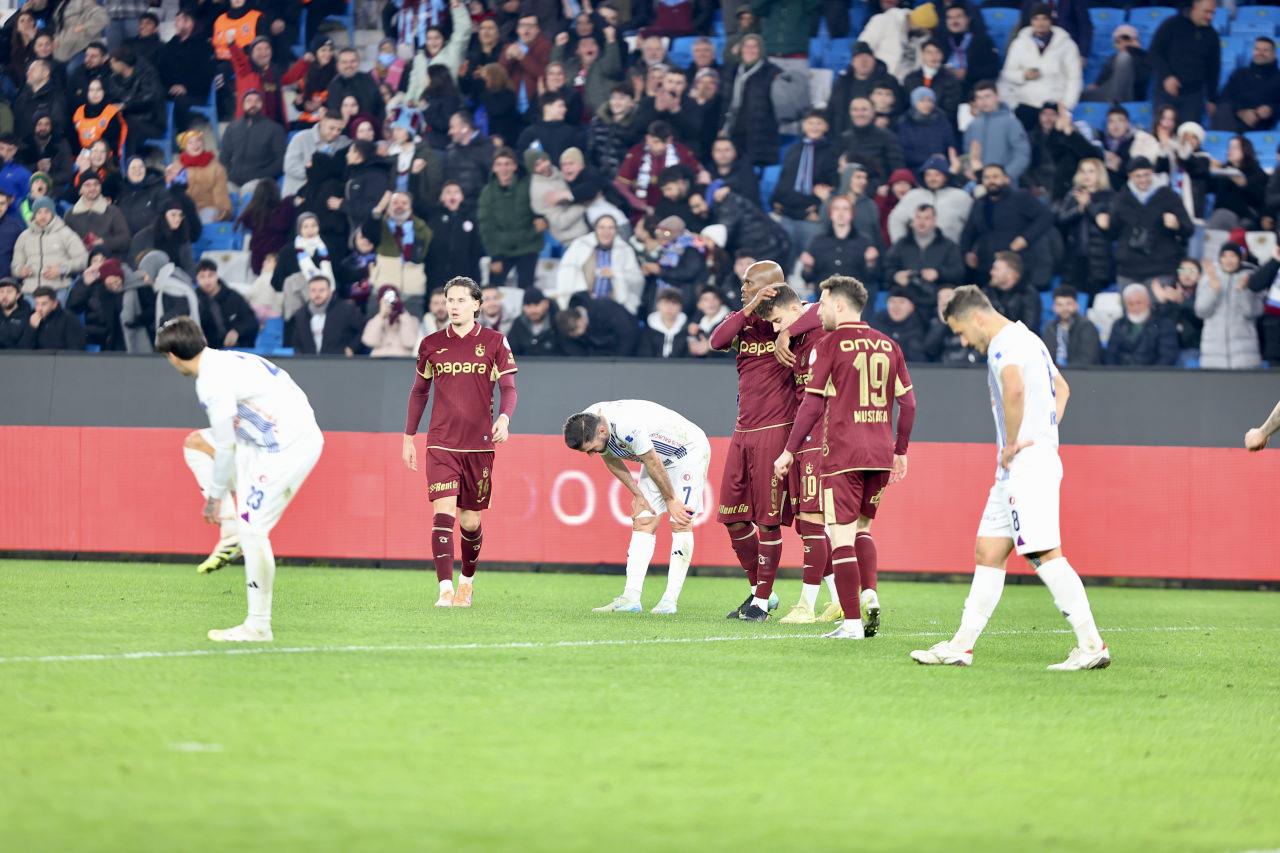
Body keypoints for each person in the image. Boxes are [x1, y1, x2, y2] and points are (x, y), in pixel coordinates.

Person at [911, 285, 1109, 669]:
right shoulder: (1030, 339)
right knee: (988, 552)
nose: (964, 341)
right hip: (1019, 465)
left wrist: (1016, 441)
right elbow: (1063, 389)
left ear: (976, 317)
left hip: (1025, 464)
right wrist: (1043, 433)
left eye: (961, 331)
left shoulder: (1004, 343)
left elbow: (1014, 388)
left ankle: (1092, 646)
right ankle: (961, 646)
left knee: (1043, 553)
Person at [160, 316, 323, 641]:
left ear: (172, 356)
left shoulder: (211, 380)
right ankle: (230, 528)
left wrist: (214, 497)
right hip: (263, 439)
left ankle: (258, 626)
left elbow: (225, 446)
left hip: (287, 447)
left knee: (255, 531)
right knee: (196, 443)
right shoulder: (229, 359)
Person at [773, 274, 915, 637]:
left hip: (842, 454)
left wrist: (789, 450)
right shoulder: (889, 345)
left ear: (839, 304)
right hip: (880, 454)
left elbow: (811, 404)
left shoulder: (829, 345)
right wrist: (900, 450)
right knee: (863, 529)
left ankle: (851, 623)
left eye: (822, 304)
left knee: (840, 536)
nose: (818, 312)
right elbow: (909, 404)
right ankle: (870, 593)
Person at [403, 276, 518, 608]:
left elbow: (508, 389)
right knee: (443, 514)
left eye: (460, 300)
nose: (453, 306)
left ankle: (466, 582)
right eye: (449, 300)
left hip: (479, 446)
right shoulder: (431, 344)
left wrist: (504, 418)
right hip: (441, 443)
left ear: (476, 304)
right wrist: (409, 437)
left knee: (470, 520)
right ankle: (445, 590)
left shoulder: (495, 342)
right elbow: (419, 392)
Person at [705, 261, 799, 618]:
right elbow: (716, 341)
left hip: (776, 430)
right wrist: (750, 307)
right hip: (742, 431)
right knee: (733, 517)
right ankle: (759, 590)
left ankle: (760, 601)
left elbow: (816, 314)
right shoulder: (743, 323)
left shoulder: (792, 321)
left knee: (768, 520)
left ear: (770, 287)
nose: (742, 288)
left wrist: (787, 333)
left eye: (748, 283)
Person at [565, 401, 708, 614]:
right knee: (643, 520)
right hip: (656, 458)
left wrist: (671, 499)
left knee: (681, 521)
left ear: (602, 430)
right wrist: (637, 494)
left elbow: (652, 461)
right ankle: (630, 598)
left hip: (687, 452)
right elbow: (611, 459)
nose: (592, 454)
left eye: (592, 449)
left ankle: (669, 601)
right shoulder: (587, 420)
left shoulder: (626, 425)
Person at [1098, 157, 1193, 289]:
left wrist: (1177, 225)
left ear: (1152, 173)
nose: (1143, 180)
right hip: (1128, 270)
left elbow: (1189, 229)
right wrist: (1105, 226)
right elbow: (1112, 234)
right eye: (1138, 176)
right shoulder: (1120, 199)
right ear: (1130, 176)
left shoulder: (1169, 196)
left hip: (1162, 267)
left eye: (1146, 175)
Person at [960, 164, 1053, 284]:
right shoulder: (979, 203)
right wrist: (967, 252)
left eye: (995, 177)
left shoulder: (1020, 197)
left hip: (1019, 265)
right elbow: (968, 232)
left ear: (1006, 179)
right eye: (987, 177)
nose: (991, 181)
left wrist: (1025, 239)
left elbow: (1046, 216)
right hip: (987, 267)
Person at [772, 110, 839, 268]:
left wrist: (818, 208)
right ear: (803, 126)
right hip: (786, 214)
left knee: (811, 263)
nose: (814, 126)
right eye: (810, 123)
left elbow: (833, 185)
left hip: (810, 217)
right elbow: (785, 177)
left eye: (819, 123)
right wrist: (776, 200)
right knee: (783, 263)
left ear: (826, 127)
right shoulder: (793, 149)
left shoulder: (831, 152)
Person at [998, 4, 1081, 129]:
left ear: (1051, 20)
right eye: (1036, 19)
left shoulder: (1067, 45)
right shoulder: (1019, 44)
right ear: (1031, 21)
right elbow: (1007, 74)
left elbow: (1074, 78)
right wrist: (1024, 75)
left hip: (1054, 104)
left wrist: (1067, 105)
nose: (1040, 23)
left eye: (1044, 19)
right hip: (1025, 104)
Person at [477, 148, 544, 290]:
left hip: (528, 245)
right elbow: (486, 227)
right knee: (492, 288)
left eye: (507, 164)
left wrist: (541, 218)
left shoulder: (528, 185)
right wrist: (495, 256)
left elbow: (541, 204)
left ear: (514, 166)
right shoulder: (487, 193)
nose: (504, 168)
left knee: (527, 289)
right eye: (499, 164)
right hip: (501, 249)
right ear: (494, 168)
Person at [883, 202, 964, 314]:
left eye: (926, 218)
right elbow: (885, 268)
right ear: (913, 221)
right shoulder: (901, 245)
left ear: (934, 221)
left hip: (936, 306)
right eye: (918, 217)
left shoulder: (949, 246)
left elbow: (959, 273)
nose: (921, 222)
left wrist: (938, 273)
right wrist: (895, 276)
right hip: (907, 306)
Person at [1149, 0, 1220, 125]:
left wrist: (1212, 99)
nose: (1210, 17)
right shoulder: (1171, 24)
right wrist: (1166, 76)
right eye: (1206, 12)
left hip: (1193, 96)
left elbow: (1213, 69)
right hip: (1165, 92)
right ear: (1195, 6)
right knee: (1162, 131)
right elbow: (1155, 52)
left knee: (1188, 133)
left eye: (1212, 13)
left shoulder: (1212, 35)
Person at [1195, 243, 1264, 370]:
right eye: (1224, 256)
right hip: (1213, 355)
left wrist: (1242, 291)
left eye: (1232, 256)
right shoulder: (1208, 278)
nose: (1228, 260)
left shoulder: (1251, 278)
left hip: (1245, 355)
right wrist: (1213, 289)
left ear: (1239, 258)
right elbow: (1201, 311)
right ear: (1220, 259)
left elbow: (1253, 312)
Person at [556, 214, 644, 313]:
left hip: (613, 307)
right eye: (602, 228)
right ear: (595, 230)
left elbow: (637, 280)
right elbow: (567, 274)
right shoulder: (580, 246)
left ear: (616, 230)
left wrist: (616, 274)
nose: (606, 232)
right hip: (585, 305)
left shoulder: (624, 250)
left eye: (611, 228)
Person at [1054, 158, 1114, 296]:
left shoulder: (1109, 197)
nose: (1086, 175)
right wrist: (1079, 210)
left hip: (1099, 257)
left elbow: (1106, 223)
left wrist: (1088, 205)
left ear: (1099, 174)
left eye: (1091, 171)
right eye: (1083, 171)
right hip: (1074, 256)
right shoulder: (1073, 195)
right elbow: (1061, 219)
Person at [800, 193, 880, 297]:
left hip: (853, 300)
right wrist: (807, 268)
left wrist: (870, 264)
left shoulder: (864, 241)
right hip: (824, 299)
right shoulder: (818, 241)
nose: (841, 213)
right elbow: (808, 278)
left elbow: (872, 278)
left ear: (852, 214)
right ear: (830, 214)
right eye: (836, 209)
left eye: (845, 209)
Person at [721, 35, 781, 169]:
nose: (750, 50)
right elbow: (724, 101)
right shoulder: (731, 70)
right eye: (746, 46)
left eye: (754, 47)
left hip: (761, 132)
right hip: (734, 129)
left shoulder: (772, 72)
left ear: (761, 50)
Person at [155, 10, 216, 134]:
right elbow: (161, 68)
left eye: (178, 20)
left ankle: (183, 137)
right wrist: (169, 86)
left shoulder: (202, 45)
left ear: (189, 23)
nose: (175, 24)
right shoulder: (171, 45)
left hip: (196, 93)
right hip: (172, 90)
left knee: (179, 101)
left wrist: (186, 87)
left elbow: (206, 75)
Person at [13, 198, 88, 295]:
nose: (43, 216)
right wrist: (20, 271)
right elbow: (15, 266)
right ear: (34, 214)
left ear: (53, 213)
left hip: (57, 292)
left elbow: (83, 260)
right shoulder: (24, 237)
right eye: (39, 212)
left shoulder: (66, 234)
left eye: (47, 212)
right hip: (30, 292)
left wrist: (61, 269)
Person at [220, 91, 287, 197]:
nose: (253, 104)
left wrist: (260, 176)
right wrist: (229, 174)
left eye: (257, 101)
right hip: (233, 180)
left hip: (259, 181)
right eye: (249, 101)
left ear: (262, 105)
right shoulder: (232, 128)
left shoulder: (274, 129)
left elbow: (281, 161)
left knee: (249, 194)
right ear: (243, 105)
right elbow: (224, 156)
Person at [964, 80, 1030, 184]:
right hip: (980, 183)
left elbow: (1022, 154)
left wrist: (1008, 175)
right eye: (979, 97)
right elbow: (967, 153)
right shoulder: (973, 125)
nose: (983, 101)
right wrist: (969, 169)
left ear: (997, 96)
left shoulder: (1012, 123)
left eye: (987, 96)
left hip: (1005, 184)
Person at [288, 275, 365, 356]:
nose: (317, 294)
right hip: (309, 361)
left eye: (321, 290)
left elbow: (363, 328)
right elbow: (296, 341)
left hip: (338, 359)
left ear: (330, 292)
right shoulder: (301, 314)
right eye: (313, 290)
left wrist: (352, 347)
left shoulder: (345, 309)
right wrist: (300, 356)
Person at [1104, 283, 1179, 366]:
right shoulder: (1118, 325)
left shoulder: (1164, 325)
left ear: (1148, 302)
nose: (1135, 308)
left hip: (1152, 372)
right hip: (1121, 372)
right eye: (1130, 304)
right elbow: (1110, 354)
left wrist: (1150, 373)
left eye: (1139, 303)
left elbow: (1167, 356)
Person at [107, 47, 166, 152]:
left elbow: (149, 97)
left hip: (151, 122)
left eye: (112, 63)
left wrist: (125, 105)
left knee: (129, 124)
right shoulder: (115, 78)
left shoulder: (147, 74)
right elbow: (113, 96)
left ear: (122, 63)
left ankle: (131, 158)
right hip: (128, 119)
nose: (110, 66)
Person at [1217, 37, 1280, 134]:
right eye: (1257, 49)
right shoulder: (1239, 74)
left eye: (1265, 50)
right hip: (1236, 122)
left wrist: (1271, 110)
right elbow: (1224, 98)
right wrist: (1241, 112)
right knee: (1223, 109)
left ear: (1274, 54)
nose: (1260, 53)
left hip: (1268, 124)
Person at [840, 96, 905, 189]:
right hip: (849, 190)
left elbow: (897, 168)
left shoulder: (887, 137)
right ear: (850, 113)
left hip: (880, 190)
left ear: (873, 112)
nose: (859, 114)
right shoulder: (844, 138)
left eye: (864, 110)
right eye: (855, 110)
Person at [194, 259, 257, 351]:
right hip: (207, 351)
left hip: (237, 349)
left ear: (216, 275)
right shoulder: (193, 300)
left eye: (210, 275)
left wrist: (237, 331)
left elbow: (251, 321)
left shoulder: (234, 297)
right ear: (196, 279)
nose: (207, 281)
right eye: (202, 277)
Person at [64, 175, 132, 259]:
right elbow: (65, 243)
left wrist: (103, 242)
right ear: (80, 190)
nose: (92, 188)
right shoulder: (70, 215)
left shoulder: (113, 211)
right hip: (81, 261)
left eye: (96, 184)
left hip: (110, 260)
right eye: (87, 185)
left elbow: (125, 239)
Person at [1082, 24, 1151, 105]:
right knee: (1076, 95)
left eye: (1126, 38)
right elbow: (1102, 79)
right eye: (1117, 41)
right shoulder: (1113, 58)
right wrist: (1096, 84)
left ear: (1135, 40)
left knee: (1123, 57)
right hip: (1108, 91)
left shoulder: (1143, 57)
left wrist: (1135, 50)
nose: (1123, 43)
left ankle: (1116, 102)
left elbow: (1141, 78)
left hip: (1130, 93)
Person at [587, 85, 642, 177]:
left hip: (623, 179)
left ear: (631, 103)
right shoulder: (597, 122)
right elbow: (589, 151)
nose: (616, 102)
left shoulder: (636, 126)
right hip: (597, 177)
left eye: (622, 98)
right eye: (613, 98)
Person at [555, 297, 640, 357]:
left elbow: (628, 333)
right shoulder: (566, 326)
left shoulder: (606, 309)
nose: (574, 335)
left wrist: (618, 360)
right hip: (597, 359)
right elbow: (571, 347)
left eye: (574, 331)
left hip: (626, 351)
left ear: (580, 321)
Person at [1041, 284, 1100, 367]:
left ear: (1076, 306)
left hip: (1079, 372)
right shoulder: (1050, 328)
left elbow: (1087, 360)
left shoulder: (1087, 327)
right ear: (1054, 307)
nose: (1064, 309)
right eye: (1059, 305)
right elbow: (1045, 357)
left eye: (1068, 304)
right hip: (1054, 372)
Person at [983, 251, 1041, 332]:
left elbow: (1029, 329)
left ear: (1011, 274)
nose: (991, 272)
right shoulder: (987, 292)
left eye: (996, 269)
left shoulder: (1027, 294)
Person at [327, 47, 385, 125]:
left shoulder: (368, 80)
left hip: (369, 127)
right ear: (338, 65)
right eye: (344, 62)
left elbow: (379, 107)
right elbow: (334, 113)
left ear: (358, 62)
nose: (349, 65)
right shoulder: (334, 86)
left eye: (353, 61)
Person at [361, 285, 420, 358]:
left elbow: (410, 343)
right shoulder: (374, 321)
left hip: (401, 361)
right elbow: (370, 341)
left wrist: (402, 312)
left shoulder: (411, 320)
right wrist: (381, 316)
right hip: (379, 361)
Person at [507, 287, 561, 356]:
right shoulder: (518, 324)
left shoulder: (558, 324)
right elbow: (510, 353)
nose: (533, 310)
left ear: (546, 304)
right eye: (528, 305)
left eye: (536, 304)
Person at [0, 276, 35, 349]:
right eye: (1, 291)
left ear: (18, 295)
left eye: (9, 291)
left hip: (18, 354)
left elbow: (27, 345)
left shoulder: (28, 315)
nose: (4, 295)